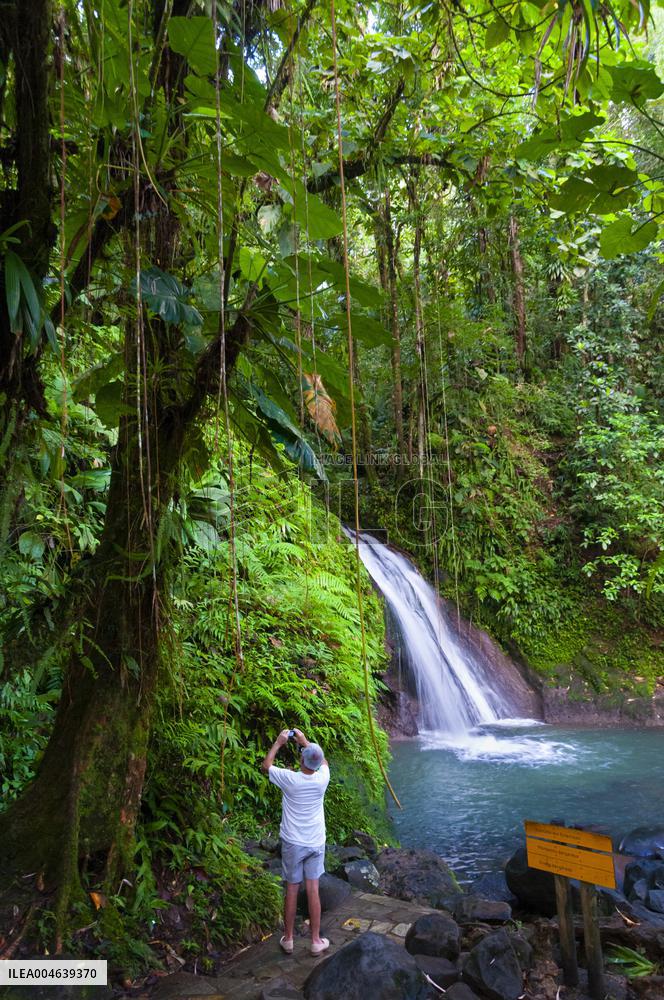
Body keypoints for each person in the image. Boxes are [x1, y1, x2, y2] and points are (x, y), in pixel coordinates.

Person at [261, 727, 330, 956]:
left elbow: (266, 766)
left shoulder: (289, 779)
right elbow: (323, 762)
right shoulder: (322, 779)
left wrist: (280, 742)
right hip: (315, 842)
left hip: (293, 842)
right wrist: (306, 742)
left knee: (291, 889)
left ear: (301, 759)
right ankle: (315, 941)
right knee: (313, 889)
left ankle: (289, 939)